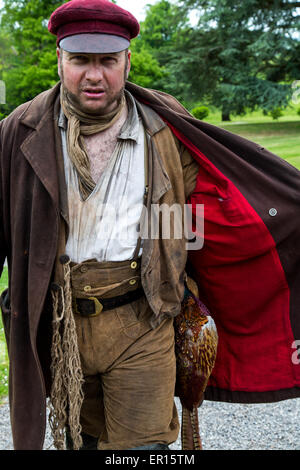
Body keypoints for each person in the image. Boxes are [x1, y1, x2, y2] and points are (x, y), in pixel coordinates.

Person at [1, 0, 300, 452]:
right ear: (61, 59)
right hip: (59, 323)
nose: (94, 75)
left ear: (127, 60)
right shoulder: (20, 131)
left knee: (142, 452)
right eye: (81, 60)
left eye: (108, 61)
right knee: (84, 442)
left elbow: (204, 205)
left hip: (143, 318)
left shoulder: (162, 126)